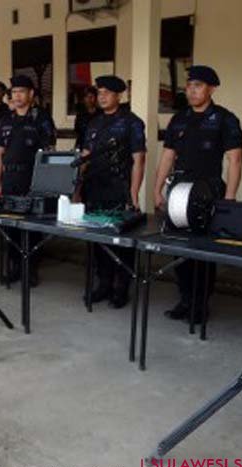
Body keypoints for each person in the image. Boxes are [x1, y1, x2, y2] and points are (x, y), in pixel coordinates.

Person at [153, 65, 242, 321]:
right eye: (189, 85)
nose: (191, 91)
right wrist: (157, 190)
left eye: (198, 86)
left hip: (209, 193)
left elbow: (235, 160)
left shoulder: (225, 118)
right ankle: (185, 300)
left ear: (211, 89)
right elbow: (168, 156)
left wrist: (230, 200)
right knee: (179, 248)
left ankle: (201, 305)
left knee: (203, 251)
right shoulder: (178, 119)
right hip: (179, 194)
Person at [77, 76, 146, 309]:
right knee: (98, 240)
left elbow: (139, 160)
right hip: (94, 188)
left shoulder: (132, 122)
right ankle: (103, 283)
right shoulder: (94, 123)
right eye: (99, 92)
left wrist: (134, 195)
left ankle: (121, 288)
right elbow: (85, 156)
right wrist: (77, 189)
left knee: (121, 241)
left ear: (119, 95)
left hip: (119, 189)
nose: (102, 96)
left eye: (107, 92)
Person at [0, 75, 57, 286]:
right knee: (10, 226)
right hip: (10, 180)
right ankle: (15, 267)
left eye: (22, 91)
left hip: (32, 180)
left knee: (31, 227)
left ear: (31, 94)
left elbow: (50, 152)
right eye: (14, 92)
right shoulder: (5, 120)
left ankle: (31, 269)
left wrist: (46, 183)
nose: (17, 95)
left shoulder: (42, 119)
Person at [74, 86, 100, 150]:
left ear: (96, 98)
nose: (89, 99)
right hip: (82, 144)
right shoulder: (81, 114)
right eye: (87, 97)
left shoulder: (101, 114)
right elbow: (77, 130)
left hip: (97, 146)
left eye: (91, 97)